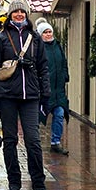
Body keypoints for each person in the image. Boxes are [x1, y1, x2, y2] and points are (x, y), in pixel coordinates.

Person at [0, 0, 51, 190]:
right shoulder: (1, 37)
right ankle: (14, 182)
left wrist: (46, 94)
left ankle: (38, 185)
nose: (19, 15)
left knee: (33, 141)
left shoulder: (35, 38)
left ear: (26, 14)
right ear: (10, 15)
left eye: (22, 12)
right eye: (16, 12)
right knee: (10, 140)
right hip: (7, 96)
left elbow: (43, 68)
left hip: (31, 96)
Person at [39, 21, 70, 155]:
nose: (48, 34)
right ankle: (33, 142)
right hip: (45, 89)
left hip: (59, 90)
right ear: (40, 35)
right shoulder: (38, 48)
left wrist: (65, 75)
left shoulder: (58, 46)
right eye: (45, 32)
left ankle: (55, 142)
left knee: (59, 114)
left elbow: (63, 62)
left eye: (49, 31)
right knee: (38, 116)